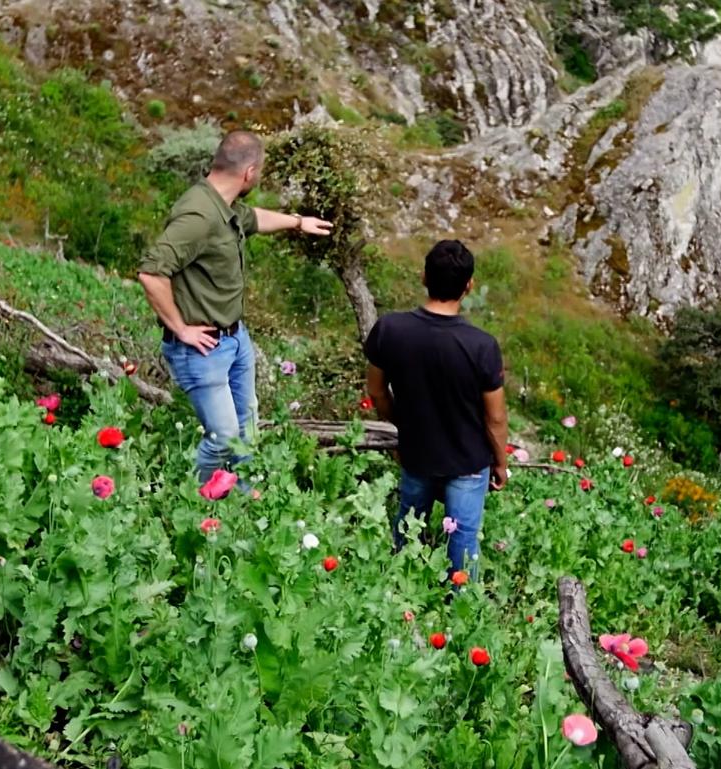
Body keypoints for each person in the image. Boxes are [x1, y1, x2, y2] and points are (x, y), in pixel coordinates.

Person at [138, 131, 332, 482]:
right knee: (223, 437)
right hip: (203, 348)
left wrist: (299, 222)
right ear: (249, 172)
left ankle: (239, 502)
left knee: (247, 430)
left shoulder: (222, 204)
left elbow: (253, 218)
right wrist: (181, 329)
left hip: (234, 339)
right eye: (258, 174)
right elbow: (152, 273)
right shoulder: (199, 215)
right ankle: (186, 500)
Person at [364, 240, 509, 580]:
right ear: (468, 286)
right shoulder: (482, 346)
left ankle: (400, 590)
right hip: (468, 463)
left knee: (409, 526)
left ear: (424, 277)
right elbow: (496, 418)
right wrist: (500, 462)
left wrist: (406, 424)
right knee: (461, 539)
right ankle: (460, 606)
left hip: (417, 455)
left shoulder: (390, 329)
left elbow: (377, 393)